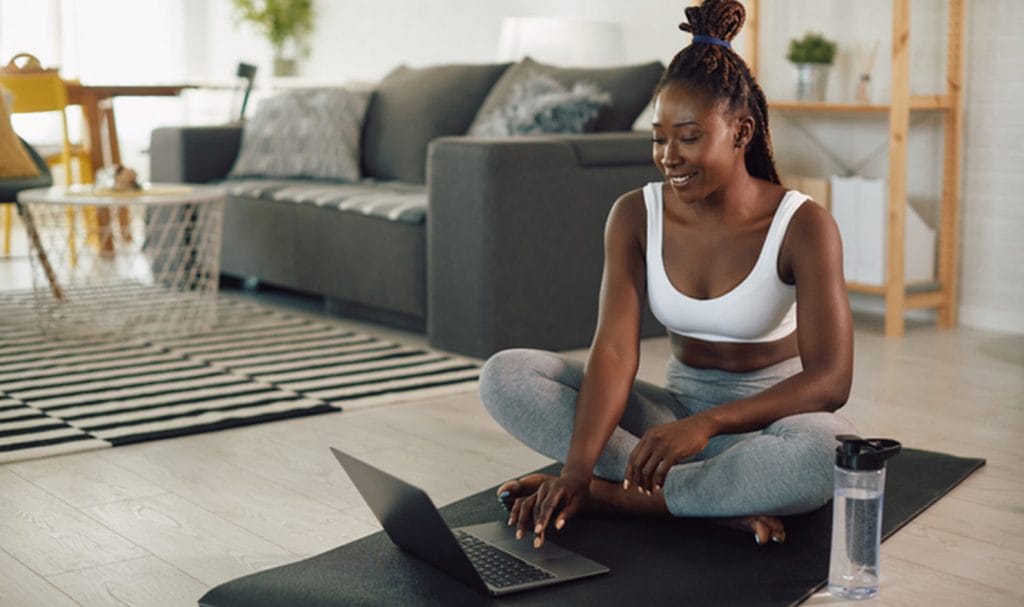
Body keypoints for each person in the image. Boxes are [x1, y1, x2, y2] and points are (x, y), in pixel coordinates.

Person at [479, 0, 857, 550]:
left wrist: (707, 426)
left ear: (741, 131)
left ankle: (623, 498)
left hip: (768, 427)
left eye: (688, 136)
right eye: (659, 138)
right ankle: (702, 501)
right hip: (667, 421)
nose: (668, 156)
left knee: (823, 455)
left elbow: (831, 381)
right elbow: (613, 352)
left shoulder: (803, 224)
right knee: (505, 376)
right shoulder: (635, 214)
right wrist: (578, 471)